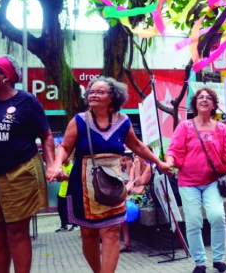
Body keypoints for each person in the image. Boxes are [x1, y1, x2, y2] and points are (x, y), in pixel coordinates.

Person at [46, 77, 172, 273]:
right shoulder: (79, 121)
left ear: (112, 97)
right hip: (82, 185)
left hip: (112, 184)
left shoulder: (123, 121)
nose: (93, 95)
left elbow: (137, 146)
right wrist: (55, 164)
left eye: (100, 92)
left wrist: (159, 163)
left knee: (112, 232)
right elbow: (64, 147)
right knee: (89, 234)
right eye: (91, 92)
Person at [0, 55, 55, 273]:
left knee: (16, 231)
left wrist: (52, 165)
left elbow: (46, 135)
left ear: (5, 76)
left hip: (20, 171)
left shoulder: (27, 101)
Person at [166, 87, 226, 273]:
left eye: (208, 97)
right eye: (200, 97)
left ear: (213, 104)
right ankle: (200, 263)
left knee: (218, 217)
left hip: (213, 181)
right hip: (188, 183)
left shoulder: (221, 128)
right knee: (194, 222)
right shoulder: (185, 126)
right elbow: (174, 150)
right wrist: (168, 163)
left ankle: (218, 260)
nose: (204, 100)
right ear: (195, 103)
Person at [55, 155, 78, 232]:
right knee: (60, 209)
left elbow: (75, 178)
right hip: (61, 192)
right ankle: (63, 225)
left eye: (66, 158)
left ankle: (75, 225)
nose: (64, 160)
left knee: (71, 210)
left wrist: (67, 177)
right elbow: (59, 178)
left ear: (70, 158)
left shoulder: (73, 167)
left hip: (70, 192)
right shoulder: (62, 167)